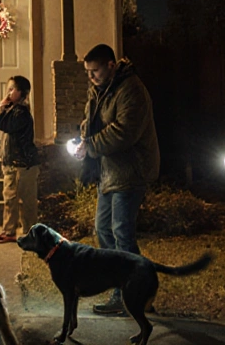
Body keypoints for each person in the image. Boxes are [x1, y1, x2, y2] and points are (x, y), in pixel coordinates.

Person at [69, 43, 159, 316]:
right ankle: (122, 288)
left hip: (130, 171)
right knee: (103, 229)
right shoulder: (100, 89)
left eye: (95, 71)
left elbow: (124, 131)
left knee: (122, 233)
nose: (90, 77)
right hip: (108, 172)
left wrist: (90, 146)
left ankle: (135, 293)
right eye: (88, 72)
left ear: (111, 65)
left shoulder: (131, 89)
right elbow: (90, 121)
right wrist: (83, 140)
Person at [0, 75, 40, 244]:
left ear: (22, 93)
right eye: (9, 88)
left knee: (26, 199)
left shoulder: (21, 113)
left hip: (23, 164)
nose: (9, 92)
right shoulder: (13, 111)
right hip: (12, 163)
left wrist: (1, 109)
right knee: (10, 198)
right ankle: (9, 230)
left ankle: (30, 232)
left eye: (12, 89)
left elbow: (3, 125)